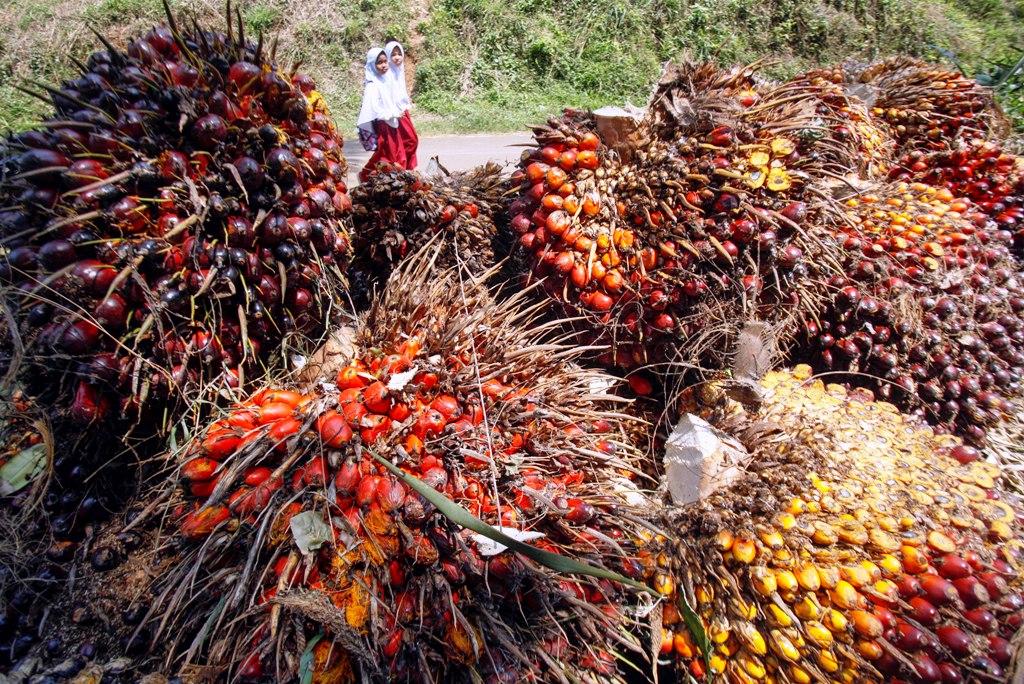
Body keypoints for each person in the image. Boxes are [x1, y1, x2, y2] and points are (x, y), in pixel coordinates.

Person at [356, 47, 404, 182]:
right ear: (372, 65)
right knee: (386, 156)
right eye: (379, 63)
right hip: (384, 124)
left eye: (385, 61)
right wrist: (392, 114)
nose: (384, 65)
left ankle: (393, 179)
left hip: (392, 122)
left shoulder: (385, 80)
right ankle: (365, 174)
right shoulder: (372, 85)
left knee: (396, 154)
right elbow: (374, 109)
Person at [383, 39, 419, 170]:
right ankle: (406, 171)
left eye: (399, 53)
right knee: (410, 141)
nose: (397, 57)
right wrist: (395, 112)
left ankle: (406, 171)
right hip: (395, 114)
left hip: (403, 111)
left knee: (406, 143)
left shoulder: (399, 70)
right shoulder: (387, 74)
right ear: (387, 57)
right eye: (393, 55)